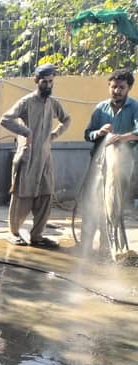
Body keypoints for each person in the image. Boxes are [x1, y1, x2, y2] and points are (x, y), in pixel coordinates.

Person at [0, 64, 71, 248]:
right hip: (27, 157)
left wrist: (54, 135)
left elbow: (66, 119)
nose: (48, 85)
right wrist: (25, 131)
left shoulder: (53, 103)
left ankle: (37, 236)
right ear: (36, 81)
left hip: (45, 158)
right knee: (22, 195)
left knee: (45, 196)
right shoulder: (26, 102)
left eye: (50, 82)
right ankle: (13, 233)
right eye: (44, 82)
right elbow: (5, 119)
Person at [78, 69, 138, 260]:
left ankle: (109, 246)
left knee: (112, 205)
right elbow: (88, 134)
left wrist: (121, 138)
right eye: (114, 87)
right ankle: (85, 246)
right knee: (91, 202)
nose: (117, 91)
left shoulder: (134, 107)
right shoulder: (100, 108)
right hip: (98, 163)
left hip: (121, 165)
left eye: (121, 87)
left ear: (128, 88)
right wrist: (100, 132)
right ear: (109, 87)